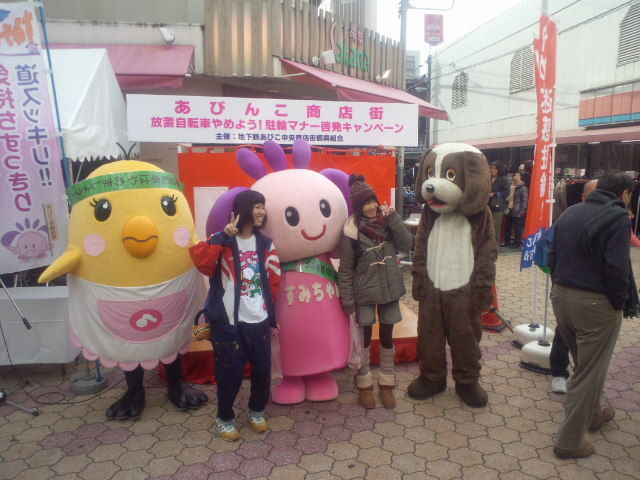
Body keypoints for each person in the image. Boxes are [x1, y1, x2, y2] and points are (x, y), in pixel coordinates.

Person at [548, 173, 639, 459]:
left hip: (561, 297)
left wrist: (560, 286)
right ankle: (570, 442)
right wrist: (618, 303)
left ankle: (595, 413)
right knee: (588, 372)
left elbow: (551, 254)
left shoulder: (572, 211)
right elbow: (617, 268)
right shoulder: (618, 218)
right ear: (624, 193)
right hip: (596, 304)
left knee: (586, 364)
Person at [189, 190, 280, 441]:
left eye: (263, 206)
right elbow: (202, 263)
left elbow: (274, 280)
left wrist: (267, 311)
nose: (261, 211)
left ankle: (257, 412)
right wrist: (222, 236)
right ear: (243, 209)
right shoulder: (222, 240)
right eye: (257, 206)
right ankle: (225, 418)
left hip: (259, 321)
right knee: (229, 374)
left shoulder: (266, 244)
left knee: (262, 372)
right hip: (229, 323)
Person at [338, 174, 413, 409]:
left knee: (388, 336)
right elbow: (346, 269)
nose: (371, 207)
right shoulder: (352, 231)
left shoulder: (388, 221)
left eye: (373, 201)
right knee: (365, 338)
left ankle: (387, 384)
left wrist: (394, 218)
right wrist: (348, 301)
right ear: (357, 207)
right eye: (365, 204)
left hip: (389, 288)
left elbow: (407, 244)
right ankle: (364, 384)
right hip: (364, 292)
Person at [550, 179, 597, 394]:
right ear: (583, 196)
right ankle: (559, 373)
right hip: (567, 286)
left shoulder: (609, 218)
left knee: (589, 336)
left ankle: (583, 376)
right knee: (564, 331)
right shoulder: (569, 216)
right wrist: (558, 280)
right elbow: (552, 251)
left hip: (595, 291)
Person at [503, 172, 528, 248]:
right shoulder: (512, 186)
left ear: (521, 178)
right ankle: (507, 242)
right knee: (507, 227)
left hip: (517, 210)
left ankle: (517, 243)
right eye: (515, 175)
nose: (515, 177)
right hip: (509, 208)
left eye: (518, 176)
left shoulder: (523, 188)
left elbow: (524, 201)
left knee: (517, 228)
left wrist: (521, 212)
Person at [488, 162, 510, 245]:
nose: (492, 170)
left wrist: (494, 194)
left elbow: (506, 193)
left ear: (499, 170)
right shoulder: (488, 178)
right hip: (487, 205)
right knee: (487, 226)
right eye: (491, 168)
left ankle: (495, 246)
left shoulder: (504, 180)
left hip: (498, 206)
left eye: (495, 168)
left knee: (495, 227)